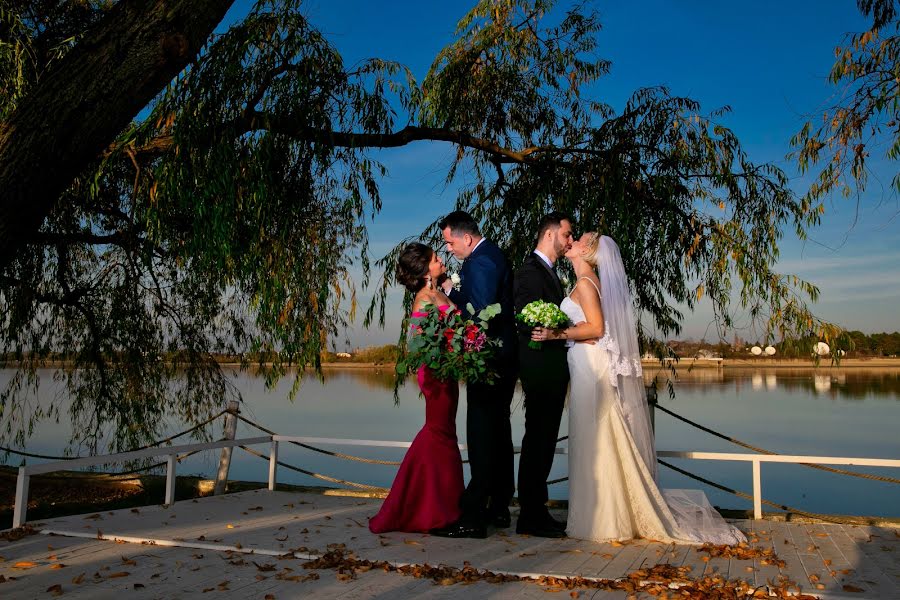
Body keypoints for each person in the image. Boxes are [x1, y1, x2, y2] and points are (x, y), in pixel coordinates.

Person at [532, 233, 746, 544]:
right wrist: (570, 333)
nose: (572, 241)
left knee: (596, 438)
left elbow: (597, 328)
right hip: (586, 364)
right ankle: (602, 513)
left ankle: (602, 520)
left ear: (586, 251)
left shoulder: (586, 283)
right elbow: (596, 328)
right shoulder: (589, 282)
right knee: (594, 436)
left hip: (590, 367)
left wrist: (556, 334)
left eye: (578, 240)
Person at [431, 210, 517, 539]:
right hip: (502, 357)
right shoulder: (488, 256)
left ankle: (473, 517)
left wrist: (448, 297)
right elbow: (480, 300)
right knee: (497, 432)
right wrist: (453, 290)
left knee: (482, 435)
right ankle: (498, 507)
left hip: (489, 358)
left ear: (466, 238)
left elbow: (481, 314)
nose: (448, 248)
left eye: (449, 242)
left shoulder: (480, 262)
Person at [368, 243, 464, 534]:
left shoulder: (438, 293)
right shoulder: (424, 299)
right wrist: (448, 351)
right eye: (436, 259)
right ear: (424, 270)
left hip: (447, 370)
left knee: (443, 433)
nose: (440, 260)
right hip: (435, 371)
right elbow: (416, 345)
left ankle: (434, 504)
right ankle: (436, 511)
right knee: (439, 435)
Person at [512, 212, 574, 538]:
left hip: (551, 368)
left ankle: (537, 511)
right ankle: (530, 515)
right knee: (537, 441)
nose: (569, 242)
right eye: (567, 235)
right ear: (550, 234)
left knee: (545, 441)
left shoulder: (549, 273)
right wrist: (552, 328)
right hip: (539, 368)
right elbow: (522, 315)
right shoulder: (528, 271)